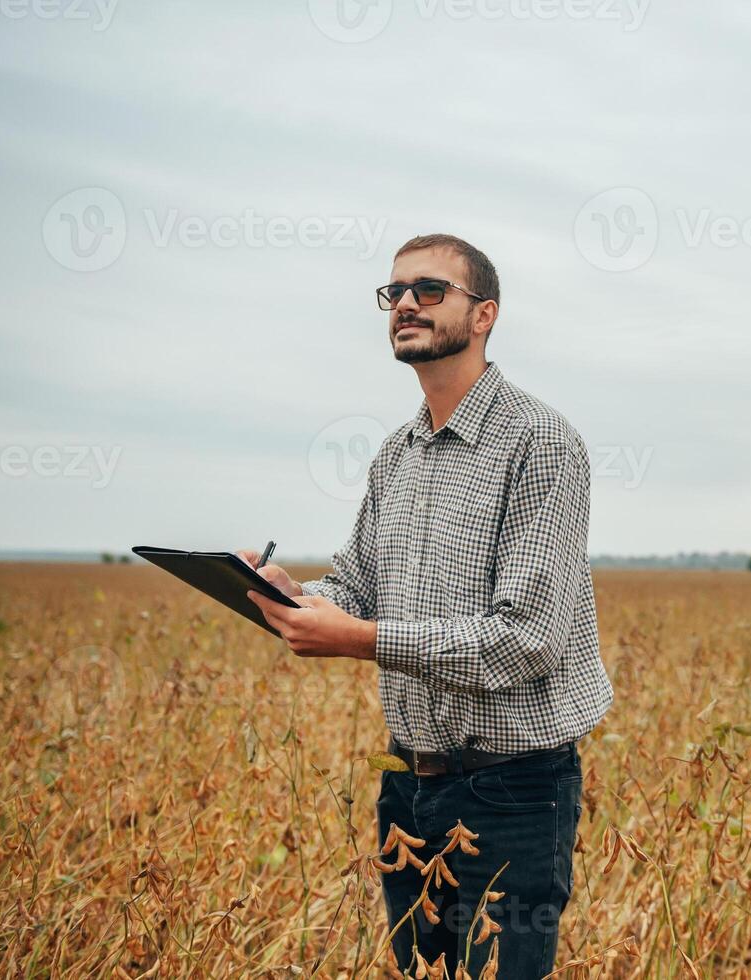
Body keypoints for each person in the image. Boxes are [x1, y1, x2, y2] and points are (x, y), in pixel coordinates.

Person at [241, 233, 613, 978]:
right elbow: (354, 585)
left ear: (484, 316)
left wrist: (358, 639)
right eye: (394, 292)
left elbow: (526, 640)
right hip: (408, 788)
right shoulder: (395, 453)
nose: (405, 303)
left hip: (514, 792)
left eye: (429, 290)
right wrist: (291, 595)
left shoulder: (541, 444)